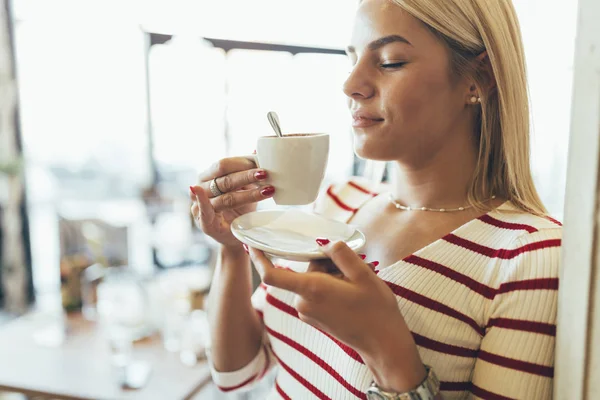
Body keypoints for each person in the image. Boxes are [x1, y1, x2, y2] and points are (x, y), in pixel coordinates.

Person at [189, 0, 562, 398]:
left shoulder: (531, 257)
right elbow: (236, 373)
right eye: (352, 58)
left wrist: (386, 351)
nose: (350, 84)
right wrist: (231, 249)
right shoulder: (338, 203)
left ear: (480, 78)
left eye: (389, 61)